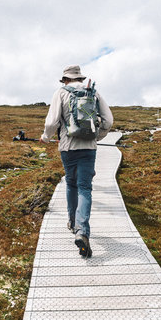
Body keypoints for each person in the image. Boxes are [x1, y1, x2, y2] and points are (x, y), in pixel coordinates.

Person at [39, 65, 113, 257]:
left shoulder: (61, 93)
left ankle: (72, 222)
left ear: (65, 79)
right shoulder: (93, 92)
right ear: (80, 78)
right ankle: (82, 231)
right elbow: (108, 120)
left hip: (68, 148)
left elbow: (51, 122)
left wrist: (46, 138)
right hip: (89, 148)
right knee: (85, 188)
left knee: (71, 184)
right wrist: (97, 137)